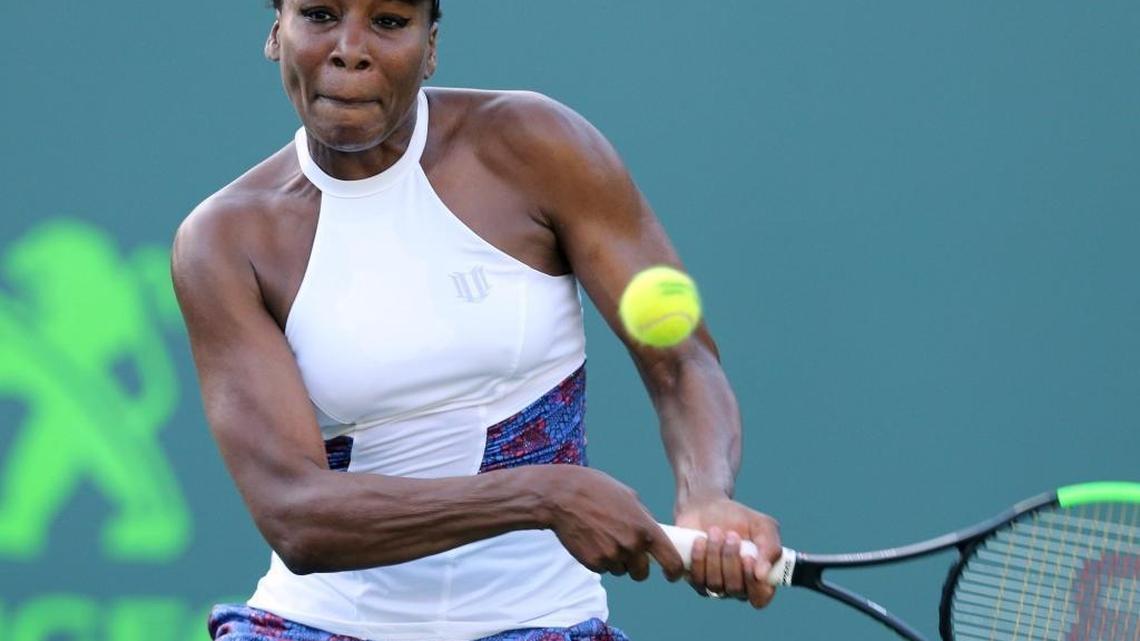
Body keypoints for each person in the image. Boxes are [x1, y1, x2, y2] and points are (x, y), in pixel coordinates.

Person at [172, 1, 781, 639]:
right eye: (321, 14)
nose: (350, 48)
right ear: (277, 33)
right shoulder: (223, 240)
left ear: (430, 47)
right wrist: (543, 497)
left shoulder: (535, 144)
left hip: (544, 622)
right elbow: (295, 514)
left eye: (388, 21)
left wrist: (706, 494)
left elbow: (681, 360)